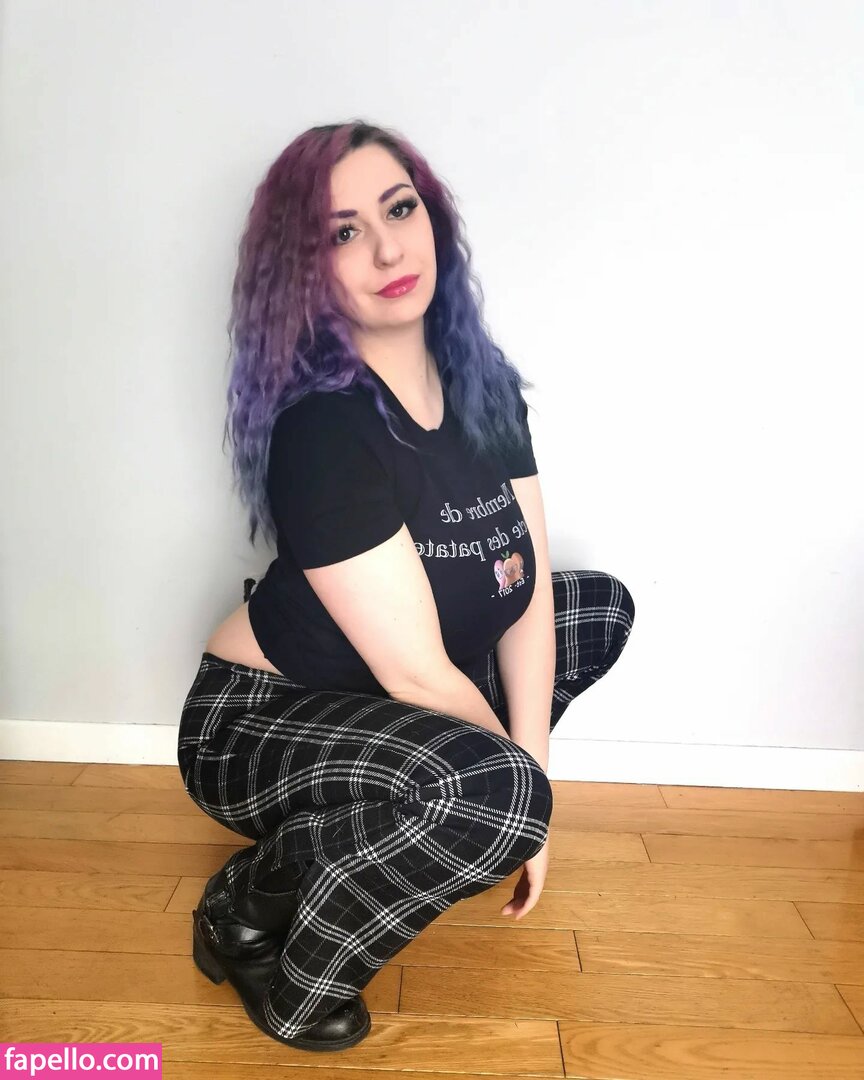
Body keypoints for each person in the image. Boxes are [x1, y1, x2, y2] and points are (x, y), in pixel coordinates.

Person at [177, 120, 635, 1052]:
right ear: (305, 270)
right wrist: (522, 807)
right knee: (493, 795)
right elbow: (420, 674)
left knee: (597, 610)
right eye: (343, 232)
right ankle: (262, 928)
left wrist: (531, 779)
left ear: (433, 219)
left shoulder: (482, 387)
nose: (388, 248)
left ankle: (423, 808)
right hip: (257, 720)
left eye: (399, 209)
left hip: (381, 703)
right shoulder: (324, 430)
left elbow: (528, 590)